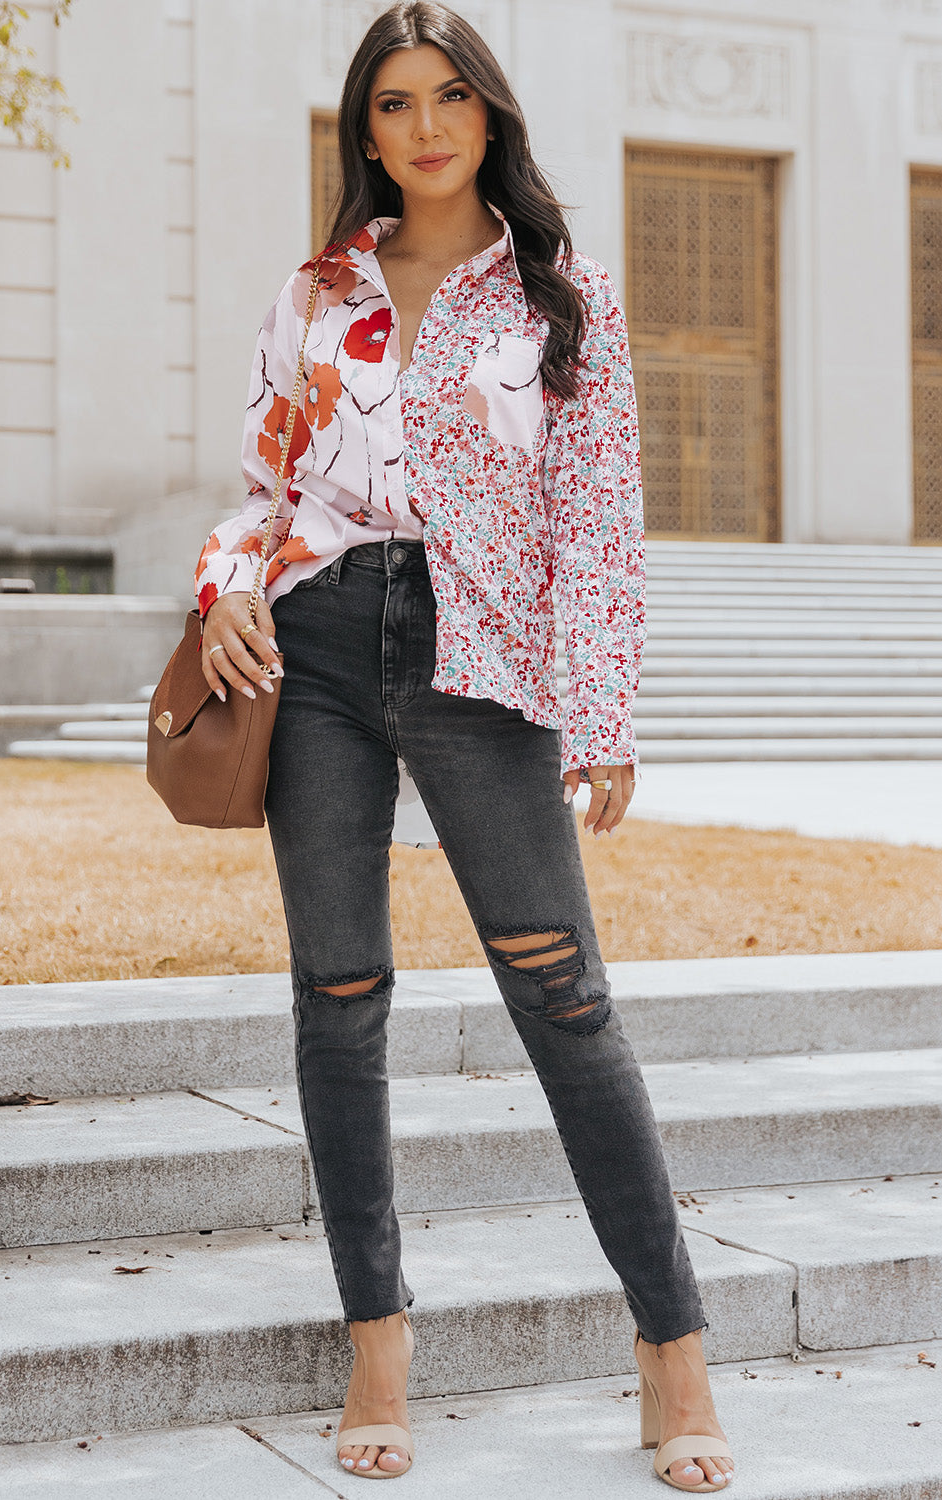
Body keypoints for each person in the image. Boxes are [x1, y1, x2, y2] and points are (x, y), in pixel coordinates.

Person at [195, 3, 734, 1490]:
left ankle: (671, 1355)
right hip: (310, 651)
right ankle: (379, 1343)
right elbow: (261, 487)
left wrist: (602, 712)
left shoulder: (564, 296)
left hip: (479, 658)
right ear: (362, 128)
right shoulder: (314, 291)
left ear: (488, 116)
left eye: (449, 97)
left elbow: (595, 521)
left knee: (563, 998)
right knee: (339, 993)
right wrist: (230, 590)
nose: (422, 126)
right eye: (392, 102)